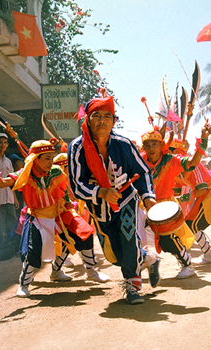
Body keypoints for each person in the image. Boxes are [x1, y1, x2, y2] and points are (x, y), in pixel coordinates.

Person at [0, 139, 109, 298]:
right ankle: (24, 283)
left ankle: (90, 271)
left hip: (58, 213)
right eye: (47, 158)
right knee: (32, 251)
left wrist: (69, 206)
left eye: (52, 157)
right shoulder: (24, 174)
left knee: (84, 232)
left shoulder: (56, 172)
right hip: (37, 216)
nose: (50, 161)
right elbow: (2, 183)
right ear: (35, 159)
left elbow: (64, 192)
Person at [68, 95, 160, 305]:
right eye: (97, 115)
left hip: (126, 200)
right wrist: (101, 192)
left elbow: (143, 172)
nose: (102, 120)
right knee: (113, 254)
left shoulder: (124, 145)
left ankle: (133, 287)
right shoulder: (76, 148)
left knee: (128, 241)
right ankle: (149, 258)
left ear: (114, 121)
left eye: (107, 116)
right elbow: (77, 185)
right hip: (99, 208)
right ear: (88, 119)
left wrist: (147, 198)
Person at [141, 125, 211, 279]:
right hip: (143, 205)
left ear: (162, 145)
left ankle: (187, 265)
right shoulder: (140, 161)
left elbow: (192, 163)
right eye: (147, 144)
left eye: (155, 144)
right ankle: (138, 268)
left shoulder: (171, 160)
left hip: (163, 207)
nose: (151, 148)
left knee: (167, 241)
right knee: (134, 237)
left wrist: (203, 141)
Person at [0, 133, 18, 248]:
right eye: (0, 142)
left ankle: (12, 247)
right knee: (0, 225)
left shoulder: (8, 161)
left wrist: (14, 198)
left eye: (5, 142)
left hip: (9, 197)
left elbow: (13, 180)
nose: (3, 144)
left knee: (13, 223)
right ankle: (1, 248)